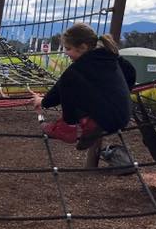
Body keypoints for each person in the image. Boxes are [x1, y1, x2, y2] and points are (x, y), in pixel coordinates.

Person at [32, 23, 133, 151]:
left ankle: (69, 126)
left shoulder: (78, 68)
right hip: (123, 116)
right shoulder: (111, 57)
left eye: (68, 49)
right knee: (75, 81)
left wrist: (43, 102)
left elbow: (62, 86)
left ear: (83, 47)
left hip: (107, 118)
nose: (66, 52)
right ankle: (91, 122)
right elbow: (131, 71)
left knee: (70, 78)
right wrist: (122, 94)